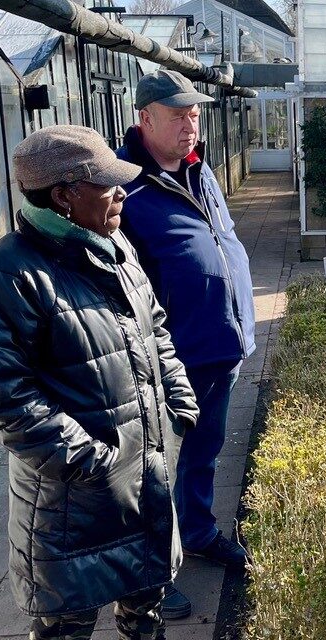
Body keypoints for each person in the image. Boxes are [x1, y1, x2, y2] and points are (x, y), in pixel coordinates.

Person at [0, 124, 201, 639]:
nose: (120, 193)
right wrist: (91, 460)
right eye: (106, 183)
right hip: (73, 505)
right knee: (66, 626)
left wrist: (177, 403)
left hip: (145, 479)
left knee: (146, 614)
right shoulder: (9, 273)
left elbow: (153, 327)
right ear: (63, 195)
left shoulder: (114, 246)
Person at [114, 71, 255, 588]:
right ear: (144, 117)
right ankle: (149, 579)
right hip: (169, 358)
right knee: (152, 471)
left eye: (194, 113)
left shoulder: (201, 170)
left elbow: (220, 241)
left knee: (205, 453)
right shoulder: (124, 186)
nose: (190, 124)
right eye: (177, 115)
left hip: (222, 344)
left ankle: (196, 533)